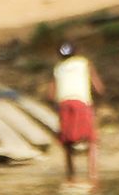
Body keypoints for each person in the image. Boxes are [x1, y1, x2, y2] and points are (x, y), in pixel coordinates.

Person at [45, 42, 106, 183]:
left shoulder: (58, 68)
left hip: (64, 104)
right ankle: (93, 176)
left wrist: (56, 106)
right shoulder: (84, 63)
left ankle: (71, 176)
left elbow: (50, 95)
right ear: (76, 52)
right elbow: (99, 88)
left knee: (67, 142)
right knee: (92, 140)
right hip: (82, 103)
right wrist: (99, 98)